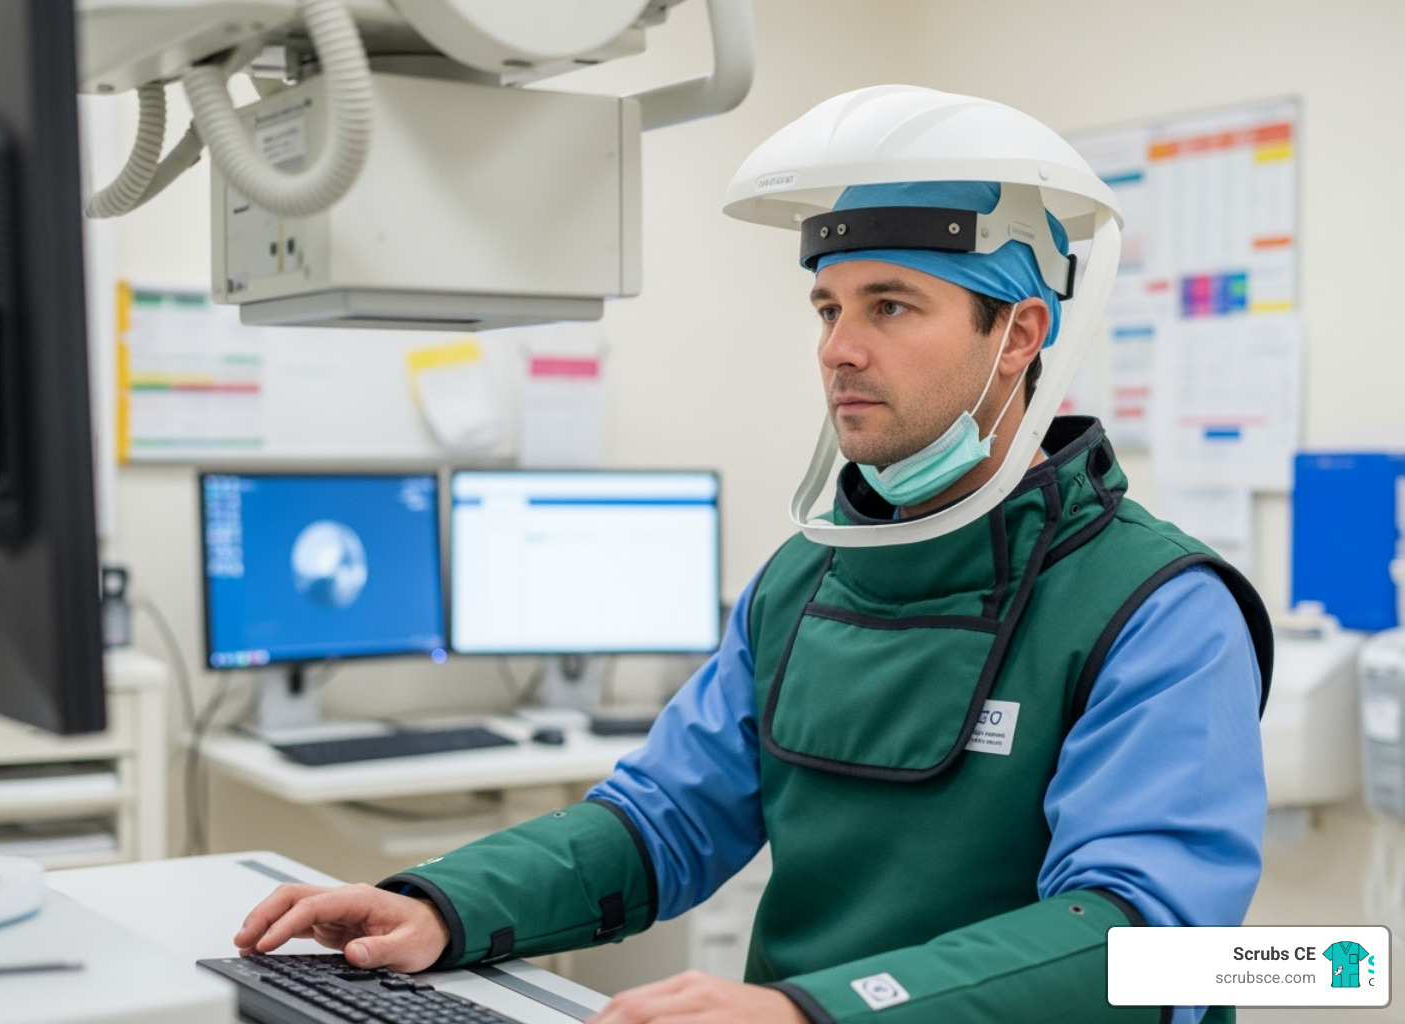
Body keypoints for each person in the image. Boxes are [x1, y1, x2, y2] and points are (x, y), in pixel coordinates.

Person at [234, 86, 1271, 1024]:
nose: (838, 348)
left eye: (891, 307)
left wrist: (812, 1012)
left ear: (1019, 334)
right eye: (828, 306)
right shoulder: (803, 578)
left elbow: (1143, 943)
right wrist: (440, 902)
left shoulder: (1158, 608)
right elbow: (663, 818)